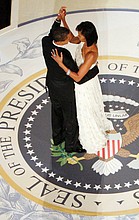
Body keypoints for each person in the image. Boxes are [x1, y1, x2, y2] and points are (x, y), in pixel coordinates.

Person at [51, 7, 113, 154]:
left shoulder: (91, 53)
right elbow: (71, 38)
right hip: (79, 82)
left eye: (80, 33)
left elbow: (78, 77)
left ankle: (88, 137)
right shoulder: (83, 41)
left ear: (87, 36)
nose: (78, 35)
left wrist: (61, 64)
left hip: (84, 86)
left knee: (85, 111)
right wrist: (64, 19)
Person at [42, 8, 99, 153]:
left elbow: (57, 32)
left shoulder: (46, 41)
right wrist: (95, 71)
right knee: (70, 118)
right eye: (70, 36)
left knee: (56, 113)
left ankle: (58, 138)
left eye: (79, 34)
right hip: (67, 89)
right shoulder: (64, 55)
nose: (75, 36)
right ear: (62, 41)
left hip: (52, 86)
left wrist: (61, 19)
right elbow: (78, 77)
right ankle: (71, 146)